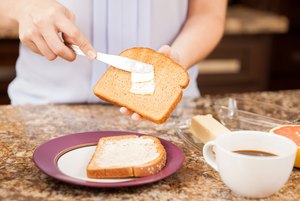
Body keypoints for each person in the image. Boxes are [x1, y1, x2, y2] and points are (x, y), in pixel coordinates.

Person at [0, 0, 227, 120]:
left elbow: (208, 13)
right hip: (42, 112)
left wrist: (174, 62)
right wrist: (24, 7)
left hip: (171, 115)